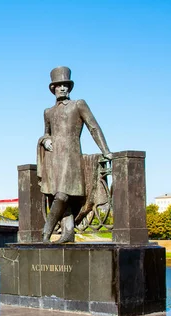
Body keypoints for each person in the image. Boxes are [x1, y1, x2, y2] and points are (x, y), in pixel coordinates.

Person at [37, 66, 112, 243]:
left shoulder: (78, 105)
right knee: (62, 198)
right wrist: (45, 140)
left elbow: (93, 127)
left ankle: (46, 231)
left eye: (66, 85)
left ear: (70, 88)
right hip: (54, 160)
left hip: (71, 159)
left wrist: (106, 151)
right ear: (52, 89)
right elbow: (46, 133)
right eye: (58, 85)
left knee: (62, 195)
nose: (62, 88)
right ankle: (68, 232)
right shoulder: (48, 112)